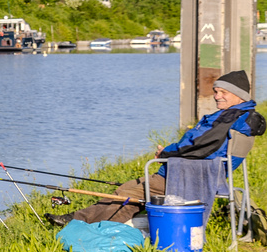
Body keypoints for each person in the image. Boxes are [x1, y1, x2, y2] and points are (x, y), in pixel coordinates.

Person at [49, 69, 264, 225]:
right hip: (198, 171)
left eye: (222, 92)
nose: (216, 96)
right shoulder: (240, 116)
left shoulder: (229, 117)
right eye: (216, 91)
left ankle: (77, 221)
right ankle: (102, 225)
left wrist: (166, 153)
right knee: (130, 190)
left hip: (190, 174)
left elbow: (200, 145)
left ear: (238, 95)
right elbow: (203, 146)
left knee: (127, 193)